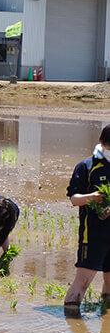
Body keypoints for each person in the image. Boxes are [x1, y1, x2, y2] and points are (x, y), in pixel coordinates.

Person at [64, 124, 110, 317]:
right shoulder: (86, 166)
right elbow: (74, 199)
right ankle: (74, 328)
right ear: (101, 143)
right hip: (92, 234)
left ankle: (105, 321)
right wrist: (92, 197)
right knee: (83, 281)